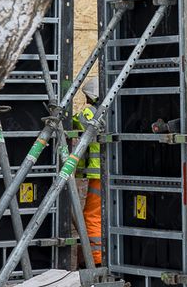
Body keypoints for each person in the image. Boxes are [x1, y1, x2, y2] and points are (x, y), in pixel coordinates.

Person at [72, 80, 102, 265]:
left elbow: (75, 120)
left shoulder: (90, 112)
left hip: (99, 175)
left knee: (91, 216)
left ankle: (96, 260)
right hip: (112, 173)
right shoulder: (114, 110)